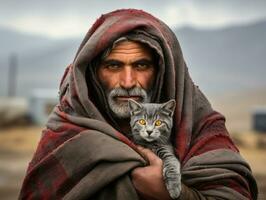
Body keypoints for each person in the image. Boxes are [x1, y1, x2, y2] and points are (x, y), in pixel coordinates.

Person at [19, 9, 258, 200]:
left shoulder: (199, 126)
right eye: (113, 66)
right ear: (93, 73)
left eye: (141, 66)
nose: (128, 82)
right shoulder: (66, 129)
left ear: (162, 71)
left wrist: (171, 195)